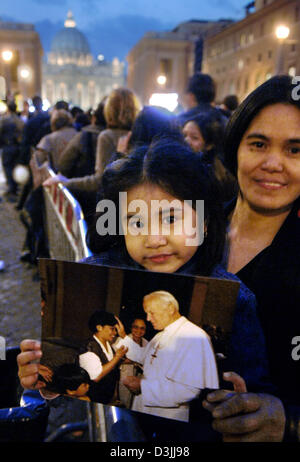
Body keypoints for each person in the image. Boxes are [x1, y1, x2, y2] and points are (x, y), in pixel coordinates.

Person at [203, 75, 300, 442]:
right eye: (258, 144)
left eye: (295, 150)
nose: (273, 163)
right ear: (236, 148)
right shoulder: (190, 231)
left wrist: (287, 424)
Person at [116, 291, 218, 422]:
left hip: (167, 413)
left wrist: (143, 386)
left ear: (170, 309)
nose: (148, 318)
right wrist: (124, 336)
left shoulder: (194, 336)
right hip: (143, 406)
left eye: (151, 313)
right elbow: (144, 357)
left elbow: (189, 390)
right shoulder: (160, 335)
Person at [43, 87, 141, 194]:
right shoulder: (139, 133)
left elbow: (100, 180)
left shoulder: (107, 136)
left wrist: (66, 182)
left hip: (113, 203)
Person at [182, 113, 237, 202]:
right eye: (184, 135)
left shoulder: (210, 176)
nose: (186, 140)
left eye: (194, 138)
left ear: (209, 145)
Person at [78, 310, 128, 404]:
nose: (115, 332)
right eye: (112, 329)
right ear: (99, 327)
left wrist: (115, 394)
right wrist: (117, 357)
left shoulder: (108, 345)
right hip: (92, 397)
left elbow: (113, 370)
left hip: (107, 397)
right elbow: (96, 376)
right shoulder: (89, 346)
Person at [118, 317, 148, 408]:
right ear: (131, 328)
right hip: (124, 374)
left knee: (136, 404)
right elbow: (115, 360)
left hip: (140, 376)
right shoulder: (121, 340)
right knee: (125, 402)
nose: (139, 330)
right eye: (136, 327)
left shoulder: (147, 343)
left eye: (142, 328)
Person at [0, 100, 24, 200]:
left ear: (8, 109)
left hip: (7, 146)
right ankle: (15, 187)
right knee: (14, 167)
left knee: (8, 168)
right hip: (18, 147)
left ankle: (12, 188)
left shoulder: (4, 120)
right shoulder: (20, 120)